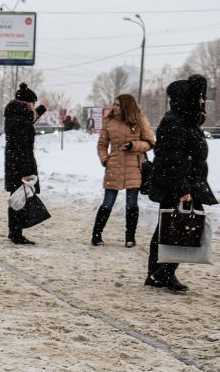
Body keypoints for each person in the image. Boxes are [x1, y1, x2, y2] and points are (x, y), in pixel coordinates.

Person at [145, 74, 217, 293]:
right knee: (175, 227)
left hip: (186, 183)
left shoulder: (185, 121)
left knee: (170, 226)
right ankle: (161, 273)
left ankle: (158, 273)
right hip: (178, 185)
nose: (203, 101)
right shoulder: (174, 122)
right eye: (199, 97)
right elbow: (171, 159)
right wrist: (183, 189)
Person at [91, 94, 154, 246]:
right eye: (114, 104)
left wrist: (134, 146)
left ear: (126, 106)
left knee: (132, 204)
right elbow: (102, 145)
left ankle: (130, 238)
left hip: (134, 167)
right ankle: (96, 235)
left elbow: (150, 142)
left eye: (118, 105)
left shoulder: (139, 119)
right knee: (107, 202)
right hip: (114, 166)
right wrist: (105, 159)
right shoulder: (109, 122)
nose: (115, 107)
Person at [4, 83, 47, 244]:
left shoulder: (15, 115)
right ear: (28, 104)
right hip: (20, 164)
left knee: (17, 197)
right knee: (19, 198)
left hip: (14, 163)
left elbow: (30, 119)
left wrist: (42, 109)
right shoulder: (21, 120)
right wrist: (26, 172)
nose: (34, 108)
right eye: (33, 104)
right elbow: (23, 146)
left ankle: (14, 231)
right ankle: (16, 233)